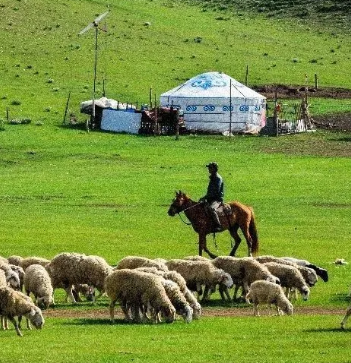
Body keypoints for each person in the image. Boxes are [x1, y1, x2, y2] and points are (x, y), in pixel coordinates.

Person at [200, 162, 224, 232]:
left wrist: (205, 197)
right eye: (209, 168)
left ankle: (218, 225)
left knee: (212, 209)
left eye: (210, 168)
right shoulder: (213, 177)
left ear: (214, 169)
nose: (209, 169)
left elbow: (215, 192)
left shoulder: (218, 178)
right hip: (210, 198)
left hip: (217, 199)